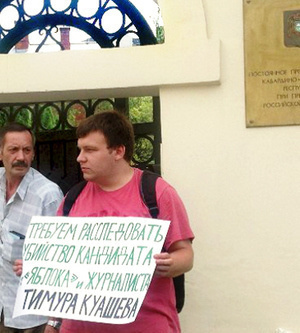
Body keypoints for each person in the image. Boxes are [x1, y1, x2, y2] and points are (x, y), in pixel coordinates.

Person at [14, 111, 194, 333]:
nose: (80, 157)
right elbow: (62, 269)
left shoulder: (157, 193)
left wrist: (169, 264)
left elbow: (186, 255)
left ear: (118, 151)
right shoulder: (72, 198)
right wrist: (40, 270)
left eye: (90, 150)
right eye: (80, 149)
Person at [0, 122, 64, 333]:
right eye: (13, 149)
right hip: (3, 305)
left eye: (27, 150)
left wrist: (54, 322)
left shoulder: (48, 195)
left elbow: (62, 255)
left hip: (35, 314)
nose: (21, 157)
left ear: (33, 153)